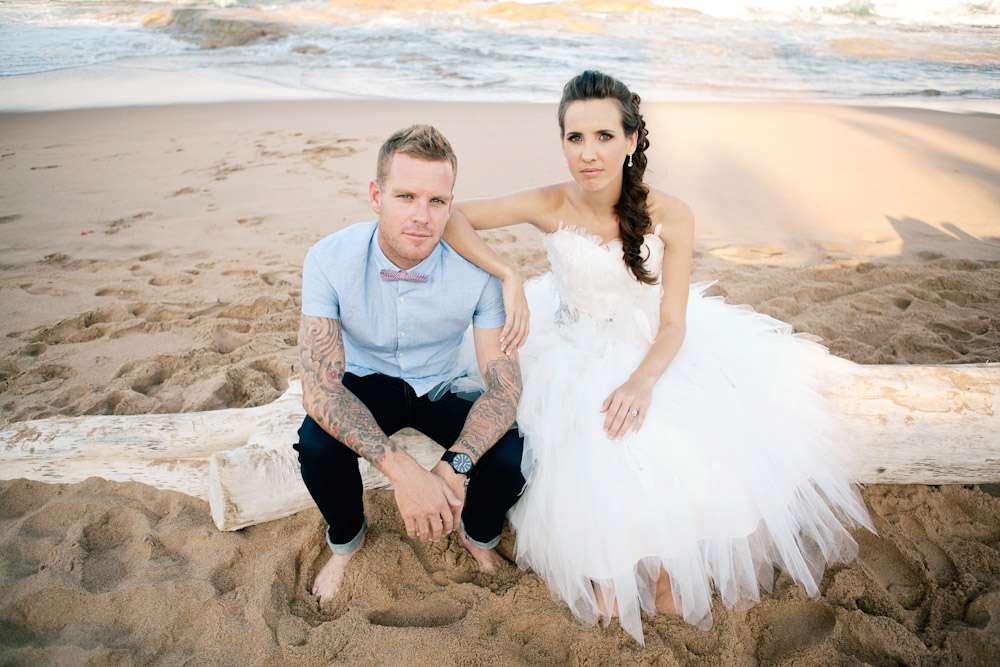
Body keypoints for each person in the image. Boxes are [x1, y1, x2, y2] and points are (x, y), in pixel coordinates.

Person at [442, 71, 875, 644]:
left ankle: (670, 570)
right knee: (590, 435)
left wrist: (641, 381)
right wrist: (508, 272)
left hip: (649, 344)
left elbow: (673, 324)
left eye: (603, 136)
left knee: (671, 430)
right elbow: (450, 216)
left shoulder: (673, 213)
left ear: (631, 139)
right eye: (575, 138)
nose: (588, 153)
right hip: (567, 345)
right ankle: (609, 570)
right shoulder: (550, 201)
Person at [294, 124, 525, 605]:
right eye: (406, 197)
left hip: (440, 383)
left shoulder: (479, 274)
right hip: (365, 379)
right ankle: (347, 541)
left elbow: (504, 389)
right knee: (316, 446)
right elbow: (319, 390)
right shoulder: (328, 259)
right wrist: (407, 473)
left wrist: (453, 466)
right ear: (376, 196)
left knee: (512, 453)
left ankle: (478, 535)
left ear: (450, 205)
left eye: (436, 201)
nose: (422, 216)